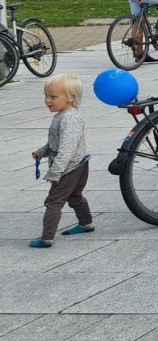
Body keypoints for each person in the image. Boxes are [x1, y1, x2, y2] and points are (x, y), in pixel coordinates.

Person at [31, 74, 93, 248]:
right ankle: (86, 223)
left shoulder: (69, 119)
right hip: (78, 164)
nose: (47, 101)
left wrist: (55, 171)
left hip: (69, 168)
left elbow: (67, 149)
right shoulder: (62, 114)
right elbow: (55, 141)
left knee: (53, 202)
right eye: (46, 96)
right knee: (74, 197)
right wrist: (41, 152)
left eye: (53, 97)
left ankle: (47, 237)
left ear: (71, 97)